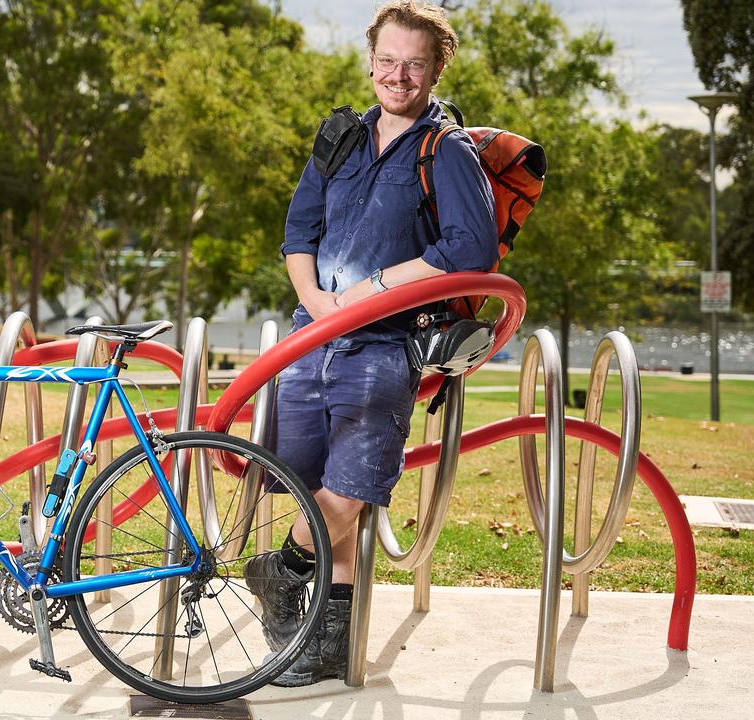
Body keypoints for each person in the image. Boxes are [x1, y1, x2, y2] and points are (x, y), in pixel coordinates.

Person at [245, 0, 498, 687]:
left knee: (350, 492)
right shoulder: (341, 138)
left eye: (414, 63)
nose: (398, 75)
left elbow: (470, 247)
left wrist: (375, 287)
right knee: (315, 494)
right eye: (387, 60)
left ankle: (280, 570)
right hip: (310, 340)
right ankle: (325, 649)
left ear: (435, 69)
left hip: (384, 346)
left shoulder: (446, 151)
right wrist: (315, 301)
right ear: (371, 61)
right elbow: (298, 233)